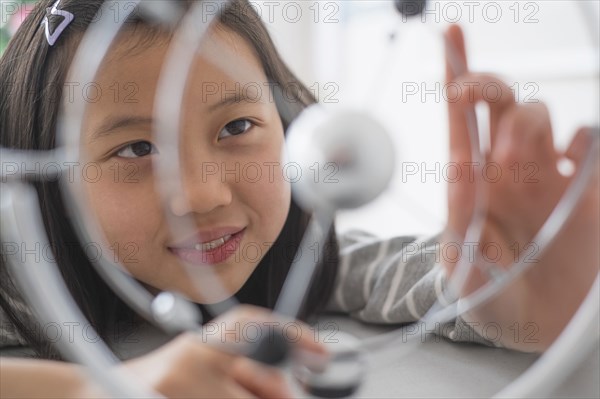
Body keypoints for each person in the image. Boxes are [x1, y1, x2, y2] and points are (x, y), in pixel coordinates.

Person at [0, 0, 597, 398]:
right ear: (41, 176)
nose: (204, 194)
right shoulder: (16, 293)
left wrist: (509, 289)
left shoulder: (312, 261)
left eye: (236, 128)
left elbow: (423, 274)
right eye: (135, 149)